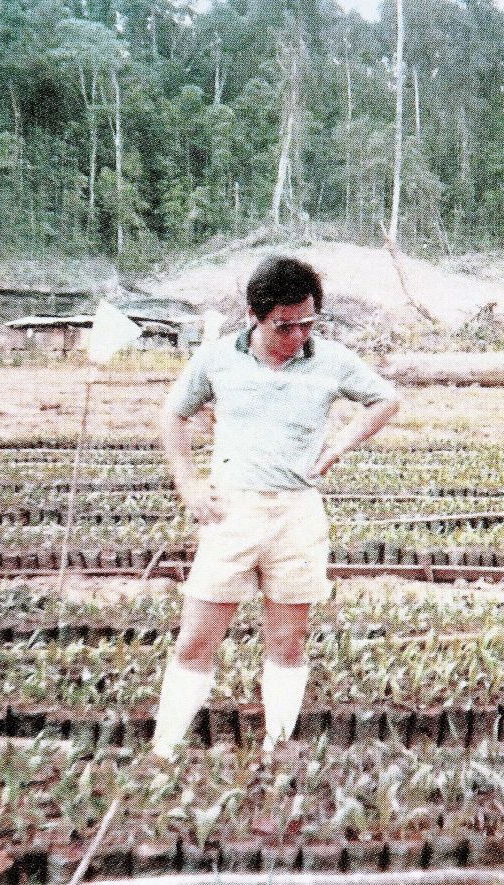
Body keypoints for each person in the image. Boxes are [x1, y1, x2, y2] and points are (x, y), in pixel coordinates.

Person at [153, 255, 399, 760]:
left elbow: (385, 401)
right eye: (285, 326)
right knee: (196, 640)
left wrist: (338, 447)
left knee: (288, 643)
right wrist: (189, 486)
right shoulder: (217, 359)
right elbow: (173, 416)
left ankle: (277, 743)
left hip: (297, 516)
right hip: (233, 513)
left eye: (308, 323)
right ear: (256, 316)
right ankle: (165, 748)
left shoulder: (330, 360)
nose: (298, 336)